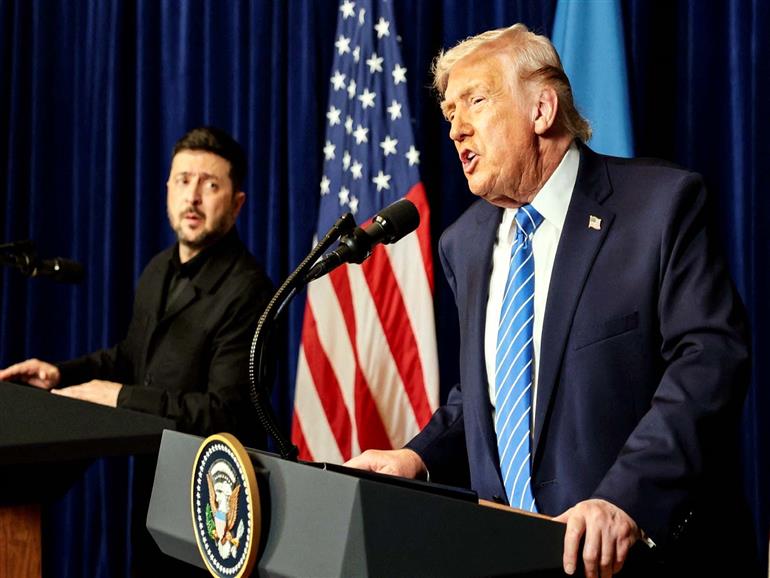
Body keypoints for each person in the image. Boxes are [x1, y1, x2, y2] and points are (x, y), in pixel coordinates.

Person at [345, 24, 756, 578]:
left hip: (637, 558)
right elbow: (488, 398)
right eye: (449, 114)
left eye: (476, 102)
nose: (457, 128)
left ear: (541, 109)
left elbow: (709, 362)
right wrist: (417, 457)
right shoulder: (464, 243)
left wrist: (625, 498)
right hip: (508, 558)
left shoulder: (660, 207)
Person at [0, 126, 273, 574]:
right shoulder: (158, 269)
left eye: (210, 184)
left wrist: (121, 397)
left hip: (217, 503)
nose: (193, 197)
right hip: (153, 488)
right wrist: (60, 374)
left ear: (237, 203)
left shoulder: (249, 290)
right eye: (183, 180)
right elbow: (131, 359)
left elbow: (225, 413)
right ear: (167, 190)